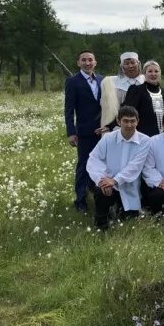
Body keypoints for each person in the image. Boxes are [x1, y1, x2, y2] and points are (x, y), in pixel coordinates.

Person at [86, 106, 150, 229]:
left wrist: (115, 180)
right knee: (101, 191)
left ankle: (117, 209)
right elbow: (94, 159)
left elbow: (135, 166)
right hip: (108, 182)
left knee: (128, 217)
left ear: (138, 121)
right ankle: (101, 222)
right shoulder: (108, 138)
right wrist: (102, 180)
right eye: (125, 121)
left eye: (133, 121)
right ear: (118, 121)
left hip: (129, 184)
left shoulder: (144, 140)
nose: (129, 124)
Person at [64, 49, 104, 212]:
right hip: (84, 131)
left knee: (101, 164)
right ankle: (80, 200)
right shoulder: (73, 81)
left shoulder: (103, 80)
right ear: (78, 63)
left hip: (102, 131)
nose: (87, 63)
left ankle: (96, 192)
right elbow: (69, 109)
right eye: (84, 60)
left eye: (90, 60)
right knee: (84, 165)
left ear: (95, 62)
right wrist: (71, 132)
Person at [121, 60, 164, 137]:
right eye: (150, 71)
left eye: (156, 71)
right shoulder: (136, 90)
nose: (153, 74)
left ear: (160, 73)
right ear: (144, 74)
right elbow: (126, 111)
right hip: (143, 135)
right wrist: (109, 125)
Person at [100, 52, 145, 129]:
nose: (130, 66)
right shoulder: (111, 82)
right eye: (126, 63)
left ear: (138, 64)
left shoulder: (146, 80)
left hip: (142, 122)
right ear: (122, 67)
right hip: (118, 124)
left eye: (133, 62)